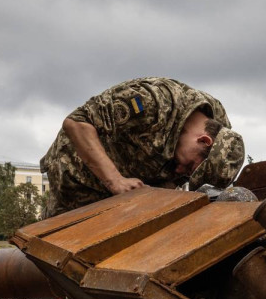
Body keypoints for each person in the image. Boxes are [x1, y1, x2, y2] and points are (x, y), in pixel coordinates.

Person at [41, 77, 246, 216]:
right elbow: (76, 123)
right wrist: (115, 181)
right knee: (56, 252)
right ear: (203, 140)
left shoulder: (222, 134)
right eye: (189, 166)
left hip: (133, 191)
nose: (180, 171)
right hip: (77, 175)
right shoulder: (152, 101)